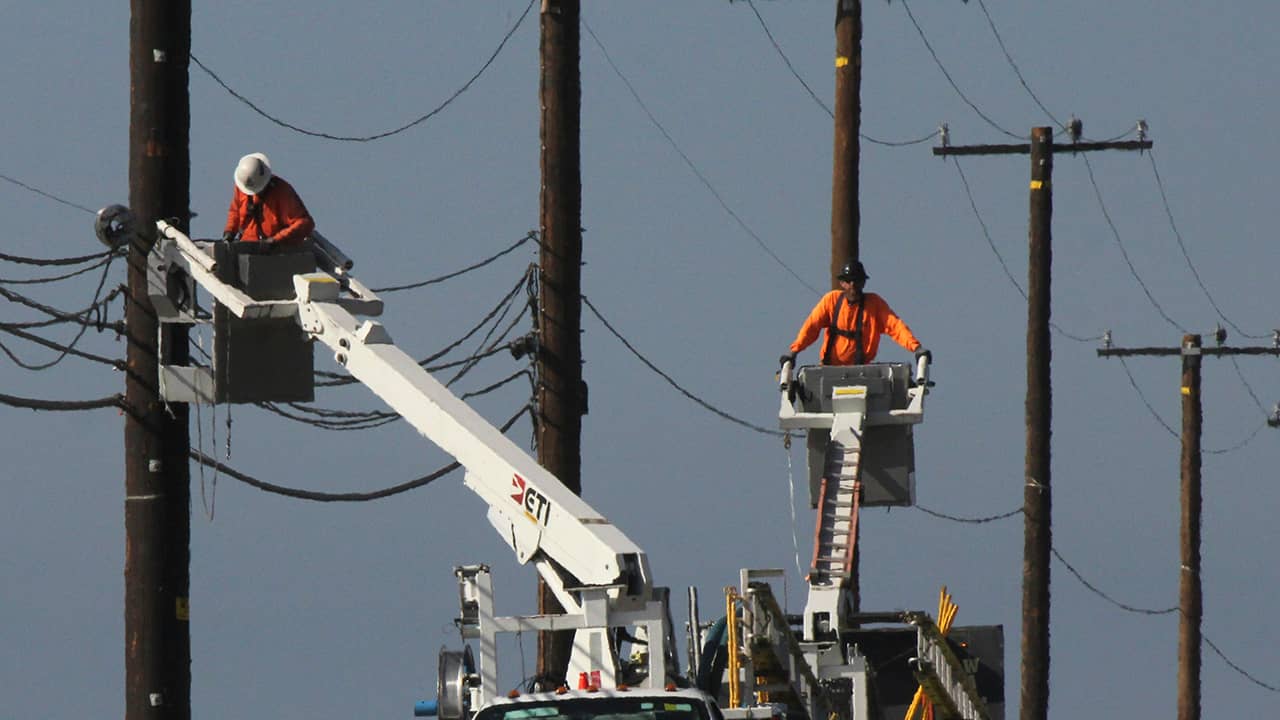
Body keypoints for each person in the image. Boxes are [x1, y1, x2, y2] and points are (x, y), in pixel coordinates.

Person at [781, 259, 930, 368]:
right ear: (842, 283)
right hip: (829, 372)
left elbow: (896, 327)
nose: (852, 285)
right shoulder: (831, 300)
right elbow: (811, 327)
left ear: (863, 283)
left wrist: (916, 348)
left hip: (862, 372)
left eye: (857, 280)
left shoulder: (874, 304)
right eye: (849, 281)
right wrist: (793, 352)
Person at [222, 152, 315, 248]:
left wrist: (276, 240)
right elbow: (235, 211)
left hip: (276, 253)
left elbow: (304, 223)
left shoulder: (282, 191)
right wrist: (230, 231)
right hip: (246, 246)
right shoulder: (243, 186)